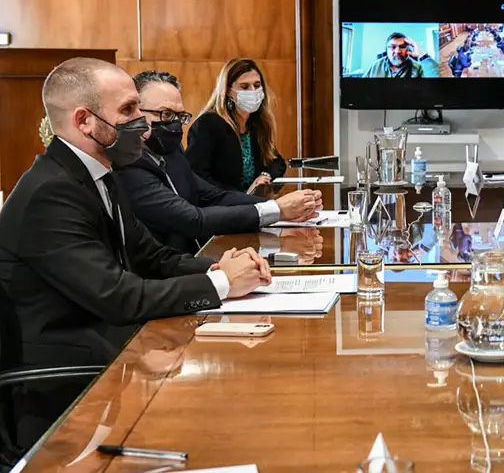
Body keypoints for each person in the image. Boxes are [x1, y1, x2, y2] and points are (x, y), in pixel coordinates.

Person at [0, 58, 270, 445]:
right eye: (128, 111)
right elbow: (118, 297)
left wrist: (218, 268)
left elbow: (153, 257)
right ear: (84, 121)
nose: (142, 125)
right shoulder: (50, 192)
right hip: (60, 383)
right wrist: (222, 285)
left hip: (114, 353)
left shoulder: (100, 174)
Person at [117, 70, 324, 254]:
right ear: (134, 113)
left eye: (179, 116)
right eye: (166, 114)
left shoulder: (171, 150)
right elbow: (192, 219)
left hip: (197, 256)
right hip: (167, 271)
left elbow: (211, 195)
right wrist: (277, 210)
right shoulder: (128, 164)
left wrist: (278, 207)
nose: (175, 125)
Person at [186, 58, 287, 193]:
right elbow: (197, 177)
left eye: (257, 85)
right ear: (228, 91)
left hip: (252, 202)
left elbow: (277, 162)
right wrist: (242, 195)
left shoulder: (256, 123)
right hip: (219, 202)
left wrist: (264, 177)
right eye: (244, 87)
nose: (253, 91)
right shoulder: (208, 124)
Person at [362, 32, 438, 78]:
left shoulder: (418, 68)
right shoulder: (375, 66)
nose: (397, 51)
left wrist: (421, 54)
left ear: (408, 49)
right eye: (393, 47)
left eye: (402, 47)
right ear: (386, 50)